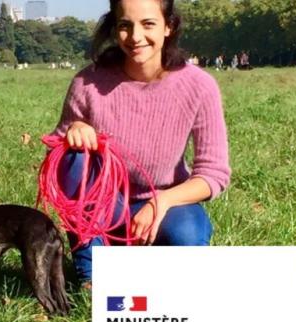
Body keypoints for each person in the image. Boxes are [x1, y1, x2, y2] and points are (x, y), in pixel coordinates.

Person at [48, 0, 231, 285]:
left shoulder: (199, 86)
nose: (135, 37)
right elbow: (58, 163)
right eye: (125, 25)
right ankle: (93, 274)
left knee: (187, 236)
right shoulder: (87, 83)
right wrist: (75, 130)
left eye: (148, 24)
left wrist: (162, 202)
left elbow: (213, 174)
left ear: (168, 26)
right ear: (114, 28)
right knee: (74, 156)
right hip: (104, 207)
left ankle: (147, 262)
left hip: (166, 205)